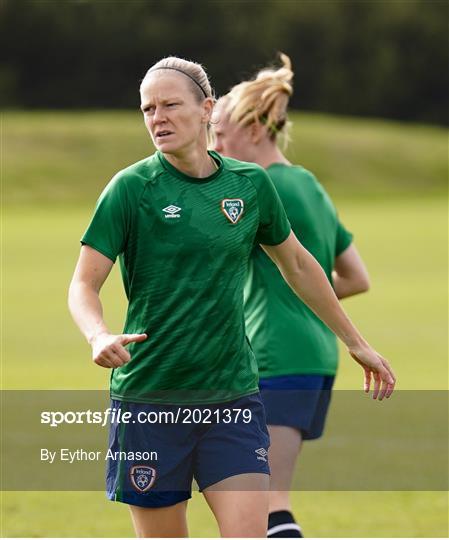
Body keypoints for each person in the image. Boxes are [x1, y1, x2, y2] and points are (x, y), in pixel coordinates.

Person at [68, 55, 395, 538]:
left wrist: (355, 341)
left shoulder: (250, 184)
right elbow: (83, 284)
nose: (157, 118)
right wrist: (97, 335)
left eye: (170, 105)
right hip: (149, 398)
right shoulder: (130, 188)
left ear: (207, 109)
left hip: (232, 396)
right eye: (147, 109)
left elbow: (300, 264)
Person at [212, 53, 376, 538]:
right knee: (254, 500)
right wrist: (303, 302)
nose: (215, 146)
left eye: (222, 134)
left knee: (263, 506)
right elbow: (354, 276)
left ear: (257, 131)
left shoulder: (260, 190)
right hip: (315, 358)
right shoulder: (308, 183)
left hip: (274, 358)